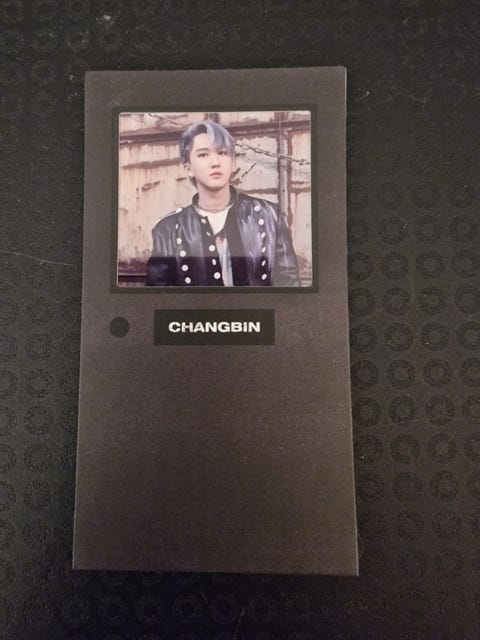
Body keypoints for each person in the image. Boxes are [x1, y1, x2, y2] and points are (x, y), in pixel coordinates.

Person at [146, 119, 300, 287]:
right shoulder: (167, 230)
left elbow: (290, 287)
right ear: (187, 168)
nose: (215, 162)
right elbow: (158, 296)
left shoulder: (269, 215)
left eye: (222, 152)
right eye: (203, 154)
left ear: (233, 162)